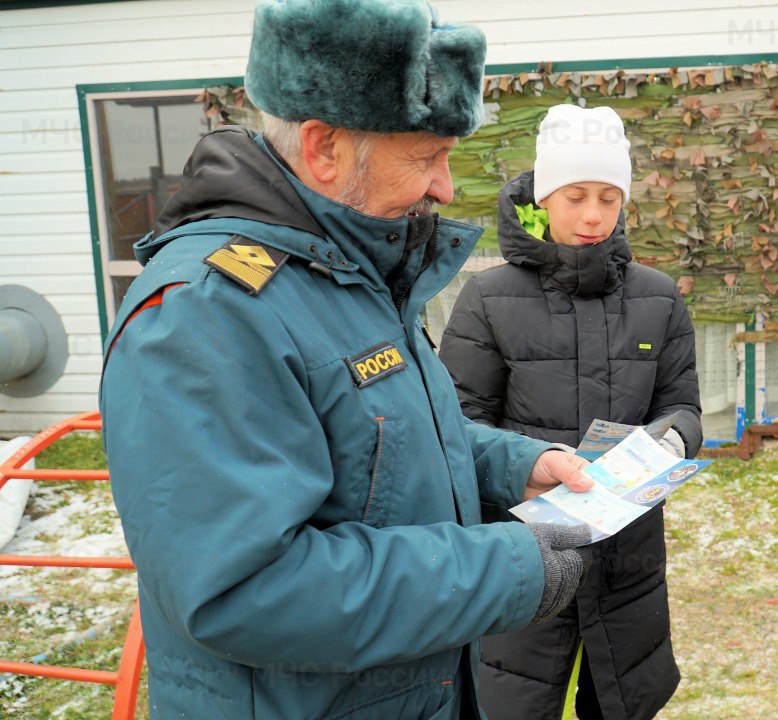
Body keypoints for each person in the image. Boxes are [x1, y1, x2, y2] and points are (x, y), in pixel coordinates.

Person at [98, 2, 599, 718]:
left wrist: (511, 465)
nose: (446, 188)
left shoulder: (348, 265)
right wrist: (511, 567)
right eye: (425, 157)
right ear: (324, 149)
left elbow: (377, 444)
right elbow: (244, 588)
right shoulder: (206, 311)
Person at [439, 104, 702, 720]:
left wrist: (667, 439)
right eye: (576, 195)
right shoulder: (488, 297)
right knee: (515, 703)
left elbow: (684, 408)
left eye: (609, 198)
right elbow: (455, 425)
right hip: (523, 551)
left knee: (622, 702)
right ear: (545, 196)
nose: (593, 215)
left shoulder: (658, 298)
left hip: (628, 555)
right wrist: (530, 464)